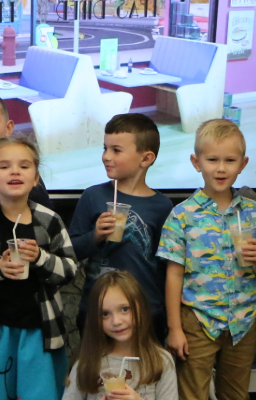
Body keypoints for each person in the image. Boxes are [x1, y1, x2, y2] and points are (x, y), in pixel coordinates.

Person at [0, 137, 78, 400]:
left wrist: (42, 259)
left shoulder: (49, 221)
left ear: (35, 179)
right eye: (4, 166)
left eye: (24, 166)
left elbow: (69, 270)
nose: (15, 172)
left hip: (39, 334)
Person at [157, 119, 256, 400]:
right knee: (192, 394)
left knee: (236, 394)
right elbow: (173, 274)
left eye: (230, 160)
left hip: (242, 321)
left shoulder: (253, 212)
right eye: (212, 159)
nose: (221, 168)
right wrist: (175, 329)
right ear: (197, 162)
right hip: (197, 320)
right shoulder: (181, 215)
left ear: (242, 164)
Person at [69, 114, 171, 341]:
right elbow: (70, 249)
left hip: (146, 310)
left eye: (116, 150)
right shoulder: (93, 196)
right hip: (98, 310)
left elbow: (165, 266)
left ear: (145, 158)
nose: (106, 156)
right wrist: (95, 236)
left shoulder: (162, 206)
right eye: (105, 148)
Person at [63, 271, 177, 400]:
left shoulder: (161, 361)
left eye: (125, 309)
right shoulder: (86, 364)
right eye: (105, 314)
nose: (116, 321)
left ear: (142, 309)